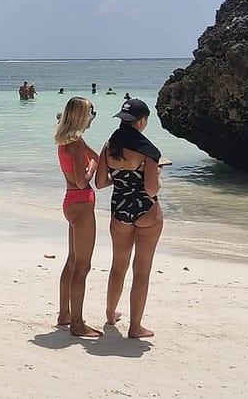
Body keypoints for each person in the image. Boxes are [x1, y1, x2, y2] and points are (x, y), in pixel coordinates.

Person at [95, 98, 164, 339]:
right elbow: (151, 189)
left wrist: (121, 178)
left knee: (118, 266)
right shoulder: (149, 151)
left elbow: (100, 182)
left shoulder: (109, 147)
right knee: (141, 270)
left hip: (120, 211)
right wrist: (157, 174)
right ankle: (135, 327)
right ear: (142, 121)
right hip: (146, 212)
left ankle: (110, 315)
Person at [54, 97, 102, 337]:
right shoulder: (76, 143)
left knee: (72, 261)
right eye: (92, 113)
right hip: (81, 203)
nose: (93, 117)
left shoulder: (67, 140)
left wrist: (94, 158)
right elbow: (83, 180)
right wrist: (92, 166)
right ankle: (77, 323)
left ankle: (65, 313)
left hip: (71, 201)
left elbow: (97, 156)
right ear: (83, 115)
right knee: (83, 266)